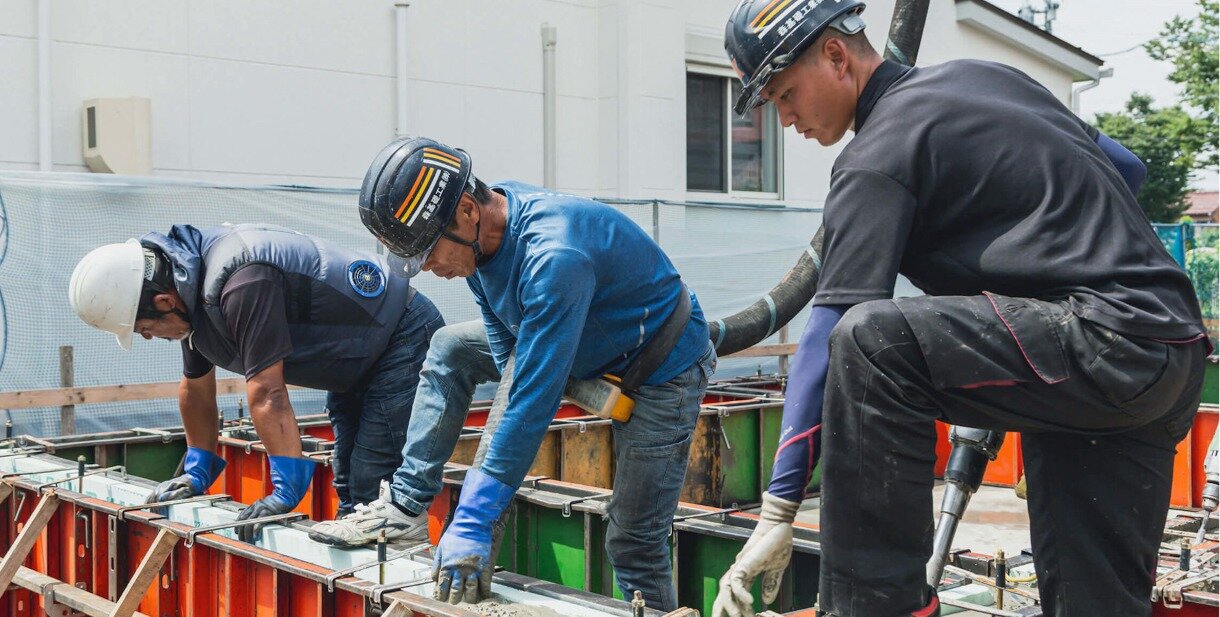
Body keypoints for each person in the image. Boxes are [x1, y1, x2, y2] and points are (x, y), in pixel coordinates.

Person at [712, 2, 1208, 616]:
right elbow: (1126, 170)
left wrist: (780, 508)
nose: (786, 119)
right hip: (1168, 347)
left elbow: (832, 332)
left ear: (836, 57)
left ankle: (880, 606)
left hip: (1101, 343)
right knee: (1094, 603)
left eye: (785, 94)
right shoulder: (988, 77)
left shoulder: (876, 156)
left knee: (873, 345)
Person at [306, 137, 714, 611]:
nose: (431, 268)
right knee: (450, 347)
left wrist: (476, 515)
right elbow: (508, 354)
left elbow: (529, 403)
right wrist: (492, 477)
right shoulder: (482, 240)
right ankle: (406, 506)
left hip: (660, 370)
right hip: (578, 338)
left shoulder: (554, 256)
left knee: (632, 541)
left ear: (465, 211)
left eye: (428, 252)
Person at [69, 223, 443, 540]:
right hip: (358, 354)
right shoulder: (192, 293)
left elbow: (267, 391)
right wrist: (196, 469)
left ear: (165, 302)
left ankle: (403, 567)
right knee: (348, 482)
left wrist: (287, 489)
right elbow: (196, 388)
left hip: (401, 334)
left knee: (373, 480)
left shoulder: (242, 281)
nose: (150, 337)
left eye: (145, 328)